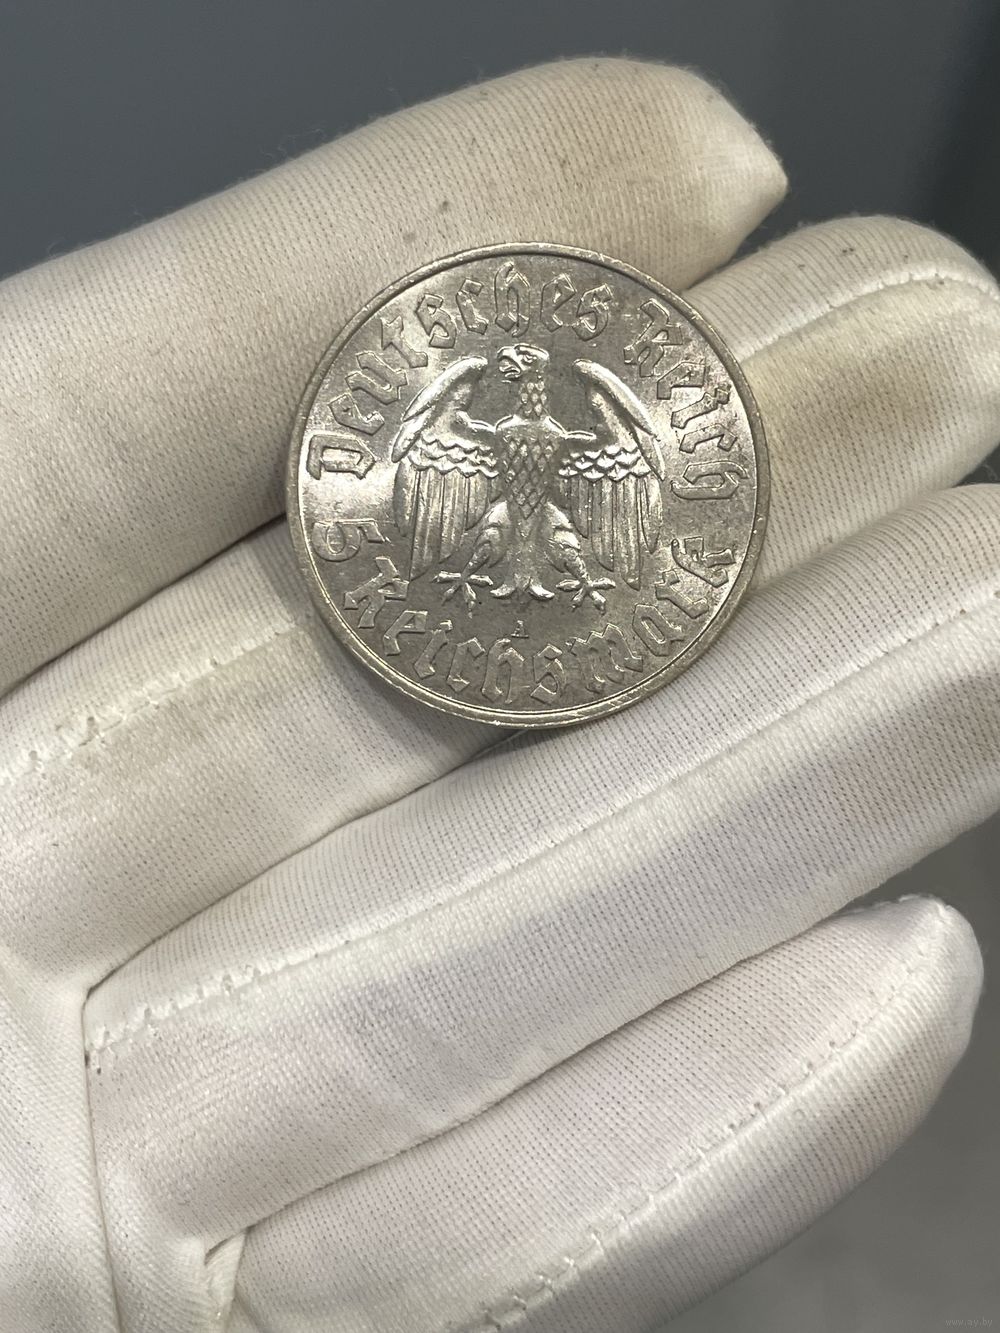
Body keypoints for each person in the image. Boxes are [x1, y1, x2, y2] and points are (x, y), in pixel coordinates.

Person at [1, 57, 998, 1332]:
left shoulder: (560, 438)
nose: (530, 400)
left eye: (533, 393)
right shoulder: (501, 437)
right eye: (522, 393)